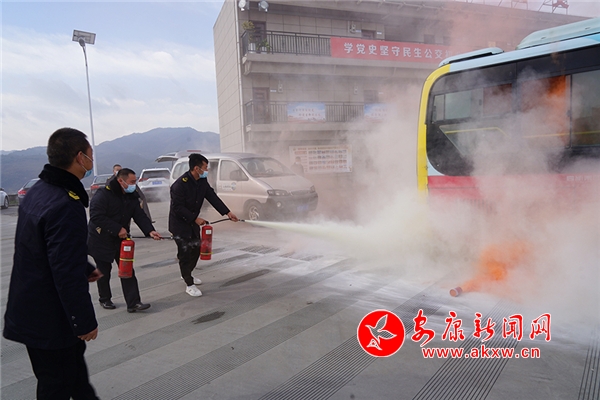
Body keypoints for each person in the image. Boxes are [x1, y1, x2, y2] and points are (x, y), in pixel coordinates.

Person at [3, 127, 102, 400]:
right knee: (57, 385)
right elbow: (65, 272)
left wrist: (84, 266)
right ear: (80, 157)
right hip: (51, 319)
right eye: (90, 154)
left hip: (30, 307)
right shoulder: (65, 203)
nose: (92, 160)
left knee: (74, 381)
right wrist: (83, 322)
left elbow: (42, 246)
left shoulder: (39, 191)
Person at [88, 167, 162, 312]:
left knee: (127, 270)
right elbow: (96, 216)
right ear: (121, 181)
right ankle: (105, 299)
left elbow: (139, 215)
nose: (135, 184)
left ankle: (133, 302)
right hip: (100, 239)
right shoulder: (103, 194)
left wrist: (150, 231)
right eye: (132, 182)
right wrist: (117, 229)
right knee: (103, 271)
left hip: (120, 239)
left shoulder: (131, 195)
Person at [169, 153, 239, 297]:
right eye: (205, 167)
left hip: (192, 223)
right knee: (185, 253)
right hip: (179, 224)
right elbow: (178, 207)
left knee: (196, 250)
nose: (207, 170)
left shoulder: (202, 181)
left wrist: (227, 212)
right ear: (197, 168)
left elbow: (211, 196)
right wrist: (195, 218)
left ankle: (187, 273)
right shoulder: (179, 185)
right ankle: (189, 284)